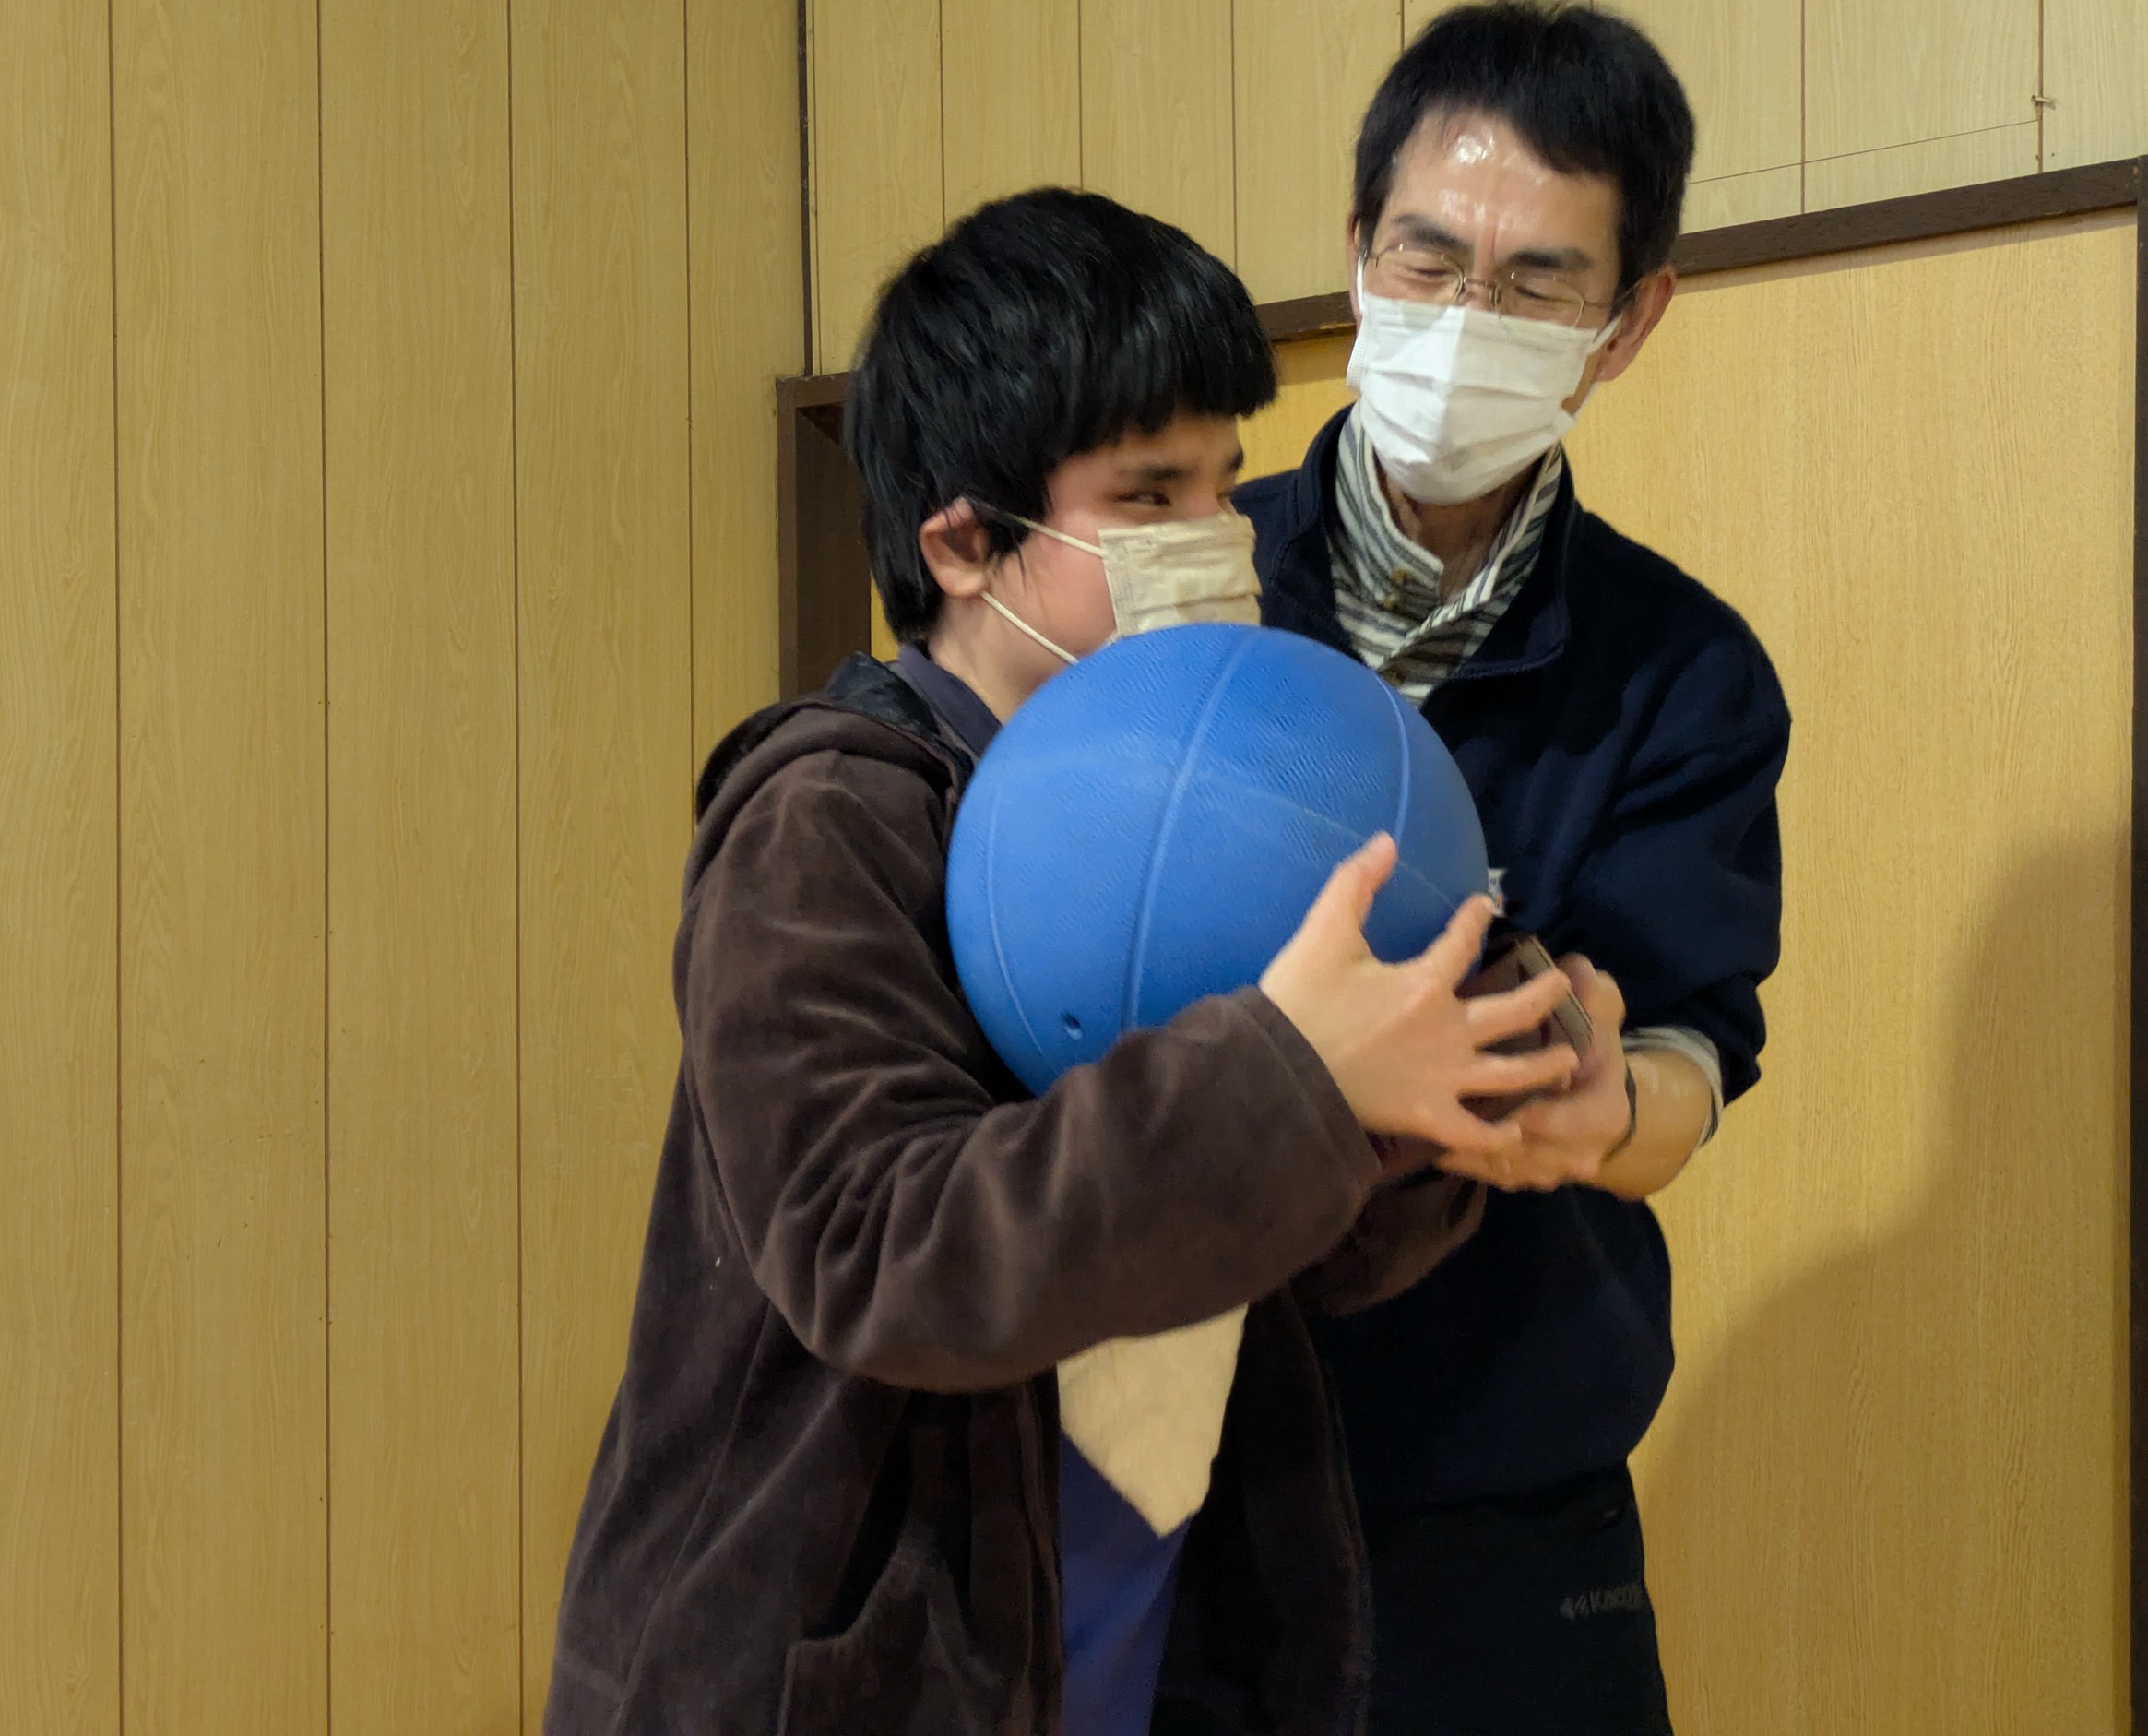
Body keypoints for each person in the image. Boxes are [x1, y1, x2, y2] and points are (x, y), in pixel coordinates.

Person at [541, 186, 1582, 1736]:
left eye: (1223, 483)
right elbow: (877, 1249)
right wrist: (1291, 1075)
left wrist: (1470, 1072)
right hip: (836, 1676)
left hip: (1147, 1646)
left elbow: (1317, 1245)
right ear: (965, 542)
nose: (1216, 538)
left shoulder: (1229, 790)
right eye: (1148, 496)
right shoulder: (827, 823)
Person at [1236, 0, 1791, 1736]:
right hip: (1171, 1471)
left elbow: (1689, 1051)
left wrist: (1608, 1109)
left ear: (1630, 322)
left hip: (1499, 1510)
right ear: (1357, 255)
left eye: (1539, 282)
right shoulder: (1190, 586)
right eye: (1429, 257)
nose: (1466, 319)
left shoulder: (1682, 672)